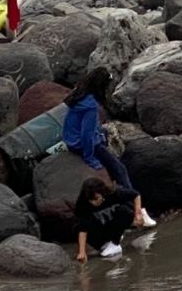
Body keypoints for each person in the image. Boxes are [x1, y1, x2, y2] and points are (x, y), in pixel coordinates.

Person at [63, 67, 156, 228]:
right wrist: (90, 157)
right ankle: (137, 211)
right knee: (120, 169)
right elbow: (86, 135)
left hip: (70, 139)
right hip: (81, 143)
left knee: (105, 135)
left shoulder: (78, 93)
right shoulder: (91, 106)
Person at [75, 178, 146, 261]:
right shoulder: (83, 204)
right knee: (76, 227)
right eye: (91, 200)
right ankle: (105, 245)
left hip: (116, 223)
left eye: (96, 198)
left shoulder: (113, 194)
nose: (94, 202)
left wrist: (138, 214)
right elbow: (83, 228)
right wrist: (82, 252)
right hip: (101, 228)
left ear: (102, 193)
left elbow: (136, 194)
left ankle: (115, 243)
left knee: (124, 210)